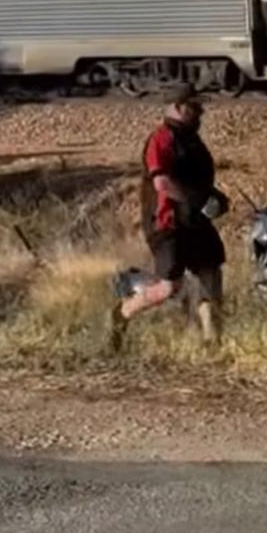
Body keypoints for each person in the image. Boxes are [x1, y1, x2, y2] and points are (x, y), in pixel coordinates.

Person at [109, 83, 229, 351]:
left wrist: (216, 198)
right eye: (194, 107)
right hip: (168, 223)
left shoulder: (192, 139)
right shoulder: (161, 139)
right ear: (177, 107)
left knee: (211, 275)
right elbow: (162, 184)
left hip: (195, 221)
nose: (201, 112)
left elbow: (195, 181)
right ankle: (122, 313)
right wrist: (199, 201)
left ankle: (213, 344)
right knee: (168, 288)